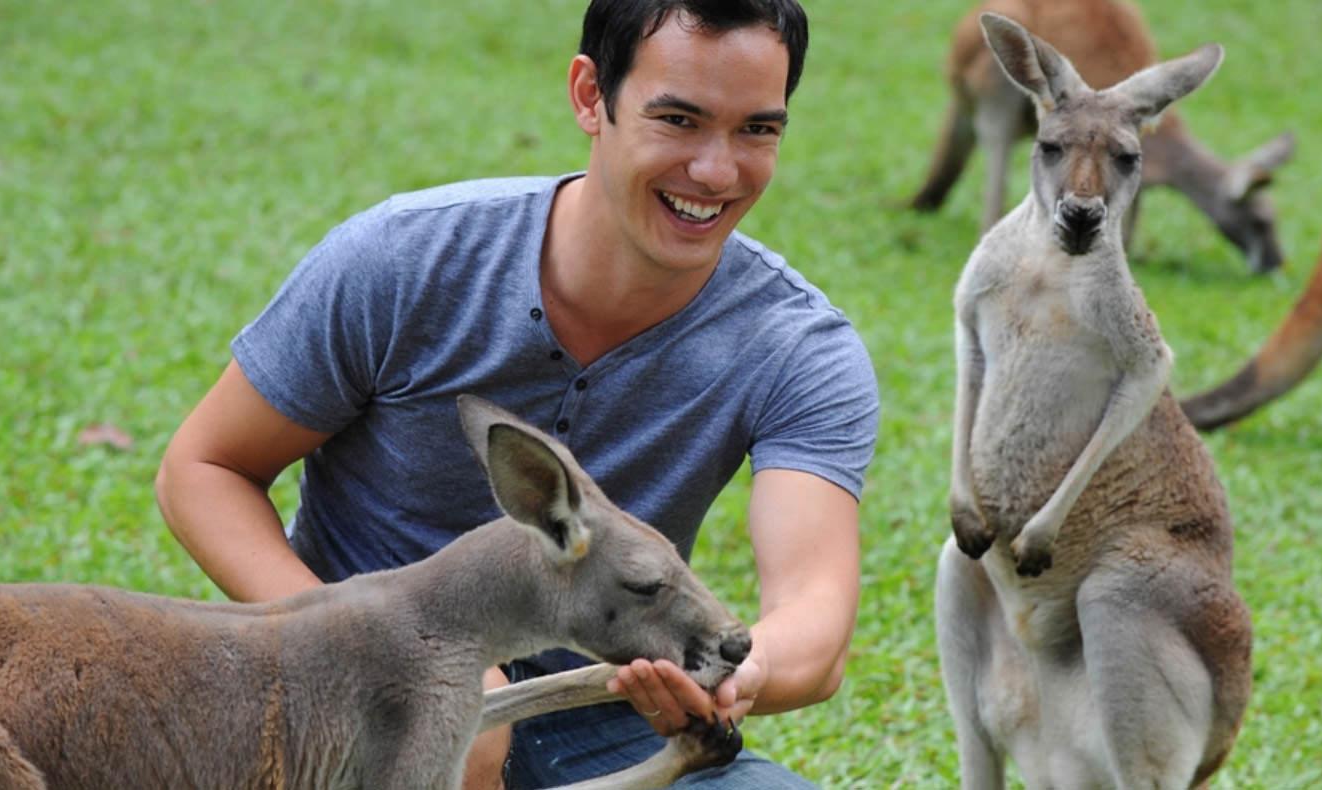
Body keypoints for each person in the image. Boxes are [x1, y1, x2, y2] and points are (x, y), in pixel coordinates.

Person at [155, 0, 878, 786]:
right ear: (589, 96)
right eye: (678, 119)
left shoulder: (797, 345)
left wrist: (732, 672)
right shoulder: (406, 260)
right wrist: (391, 659)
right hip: (342, 700)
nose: (716, 170)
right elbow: (205, 469)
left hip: (600, 711)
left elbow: (816, 620)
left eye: (757, 130)